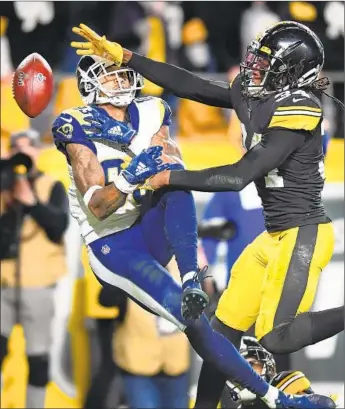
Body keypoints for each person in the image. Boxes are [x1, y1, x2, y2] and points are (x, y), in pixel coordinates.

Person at [70, 21, 344, 409]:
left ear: (294, 73)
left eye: (267, 64)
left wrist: (168, 177)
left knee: (275, 337)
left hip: (305, 232)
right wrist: (128, 58)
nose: (255, 68)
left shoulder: (301, 108)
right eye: (258, 59)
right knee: (221, 334)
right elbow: (191, 86)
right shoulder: (260, 96)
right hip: (274, 235)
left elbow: (239, 175)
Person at [0, 129, 69, 408]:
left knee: (38, 357)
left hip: (38, 284)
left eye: (27, 149)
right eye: (16, 149)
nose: (22, 155)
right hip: (4, 283)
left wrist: (32, 203)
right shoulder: (3, 188)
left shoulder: (51, 185)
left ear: (38, 152)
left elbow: (58, 227)